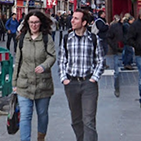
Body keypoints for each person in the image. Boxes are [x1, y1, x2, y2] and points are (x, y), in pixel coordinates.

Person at [57, 9, 103, 141]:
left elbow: (100, 60)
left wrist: (94, 78)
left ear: (84, 22)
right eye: (73, 18)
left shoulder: (93, 39)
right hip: (71, 84)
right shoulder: (67, 38)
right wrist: (64, 79)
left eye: (76, 18)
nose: (72, 20)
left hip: (88, 83)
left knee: (88, 120)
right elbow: (62, 60)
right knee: (76, 120)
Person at [13, 11, 56, 141]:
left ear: (41, 22)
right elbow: (18, 61)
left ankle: (41, 138)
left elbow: (52, 56)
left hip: (43, 83)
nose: (34, 25)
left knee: (42, 114)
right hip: (24, 83)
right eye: (31, 22)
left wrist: (44, 66)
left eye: (36, 22)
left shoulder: (46, 38)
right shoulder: (21, 39)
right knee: (25, 115)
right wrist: (14, 83)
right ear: (27, 23)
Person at [105, 15, 123, 98]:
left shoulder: (128, 26)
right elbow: (109, 37)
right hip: (118, 51)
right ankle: (117, 88)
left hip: (127, 50)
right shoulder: (115, 26)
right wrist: (114, 46)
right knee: (117, 72)